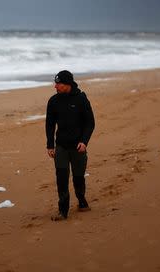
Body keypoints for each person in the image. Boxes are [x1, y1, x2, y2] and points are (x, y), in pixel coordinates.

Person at [45, 70, 95, 221]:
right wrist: (50, 145)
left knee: (78, 177)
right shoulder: (53, 101)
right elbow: (50, 125)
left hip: (78, 146)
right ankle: (63, 210)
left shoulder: (81, 99)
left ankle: (81, 200)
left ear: (67, 84)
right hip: (61, 146)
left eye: (58, 84)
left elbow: (90, 123)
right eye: (55, 83)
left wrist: (84, 142)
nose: (55, 86)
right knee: (61, 177)